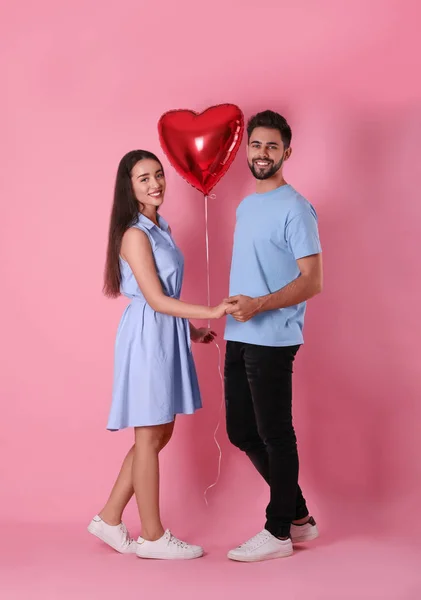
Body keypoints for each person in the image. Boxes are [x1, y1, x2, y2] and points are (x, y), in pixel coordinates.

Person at [88, 150, 229, 560]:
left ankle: (109, 518)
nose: (155, 184)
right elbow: (154, 298)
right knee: (149, 435)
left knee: (160, 431)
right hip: (148, 334)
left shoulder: (160, 226)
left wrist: (193, 329)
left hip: (166, 331)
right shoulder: (134, 234)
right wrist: (210, 309)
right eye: (143, 179)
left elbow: (166, 296)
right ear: (128, 188)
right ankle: (152, 536)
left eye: (158, 175)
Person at [224, 110, 323, 562]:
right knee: (241, 431)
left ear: (287, 151)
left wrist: (260, 305)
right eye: (256, 145)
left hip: (274, 336)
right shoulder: (246, 204)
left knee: (275, 433)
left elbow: (312, 280)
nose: (263, 154)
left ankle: (279, 530)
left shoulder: (296, 207)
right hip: (237, 332)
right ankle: (299, 516)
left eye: (272, 146)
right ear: (247, 149)